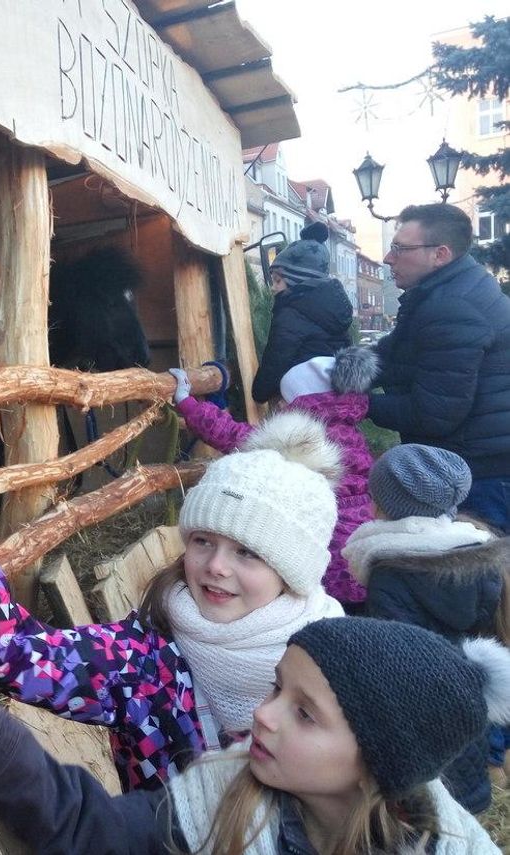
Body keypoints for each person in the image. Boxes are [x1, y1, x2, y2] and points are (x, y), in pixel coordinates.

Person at [0, 418, 344, 791]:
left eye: (246, 552)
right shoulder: (142, 663)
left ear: (293, 572)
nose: (216, 566)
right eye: (202, 541)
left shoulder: (335, 667)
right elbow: (23, 653)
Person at [0, 616, 506, 854]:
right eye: (277, 690)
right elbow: (90, 830)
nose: (265, 716)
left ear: (378, 761)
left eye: (305, 714)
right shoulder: (221, 798)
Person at [345, 443, 510, 812]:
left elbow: (396, 662)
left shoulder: (390, 571)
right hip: (475, 713)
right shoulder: (481, 550)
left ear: (385, 505)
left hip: (428, 735)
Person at [170, 346, 376, 607]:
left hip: (328, 552)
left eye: (285, 400)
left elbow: (233, 435)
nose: (279, 405)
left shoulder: (298, 439)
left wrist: (188, 403)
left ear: (301, 401)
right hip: (361, 548)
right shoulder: (351, 434)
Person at [370, 203, 510, 531]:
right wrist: (343, 370)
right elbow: (396, 358)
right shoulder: (447, 292)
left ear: (440, 255)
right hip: (483, 463)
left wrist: (357, 404)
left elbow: (433, 413)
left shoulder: (451, 305)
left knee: (481, 574)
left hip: (481, 475)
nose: (389, 258)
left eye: (400, 248)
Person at [251, 222, 353, 404]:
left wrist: (259, 392)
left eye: (277, 280)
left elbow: (276, 359)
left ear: (296, 280)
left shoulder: (291, 313)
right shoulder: (333, 308)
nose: (273, 288)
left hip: (301, 400)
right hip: (333, 399)